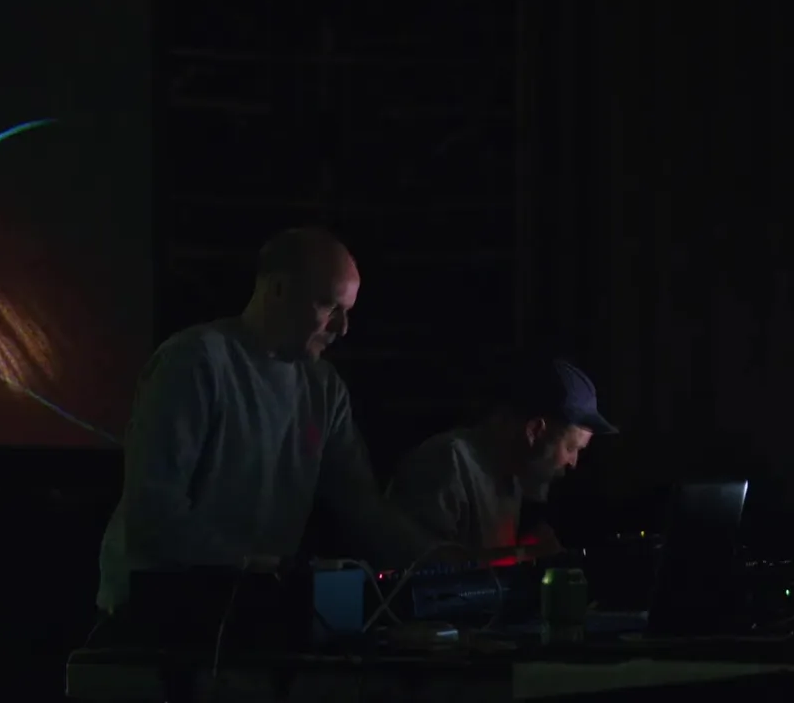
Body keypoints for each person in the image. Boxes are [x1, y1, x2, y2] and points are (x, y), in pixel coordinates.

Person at [94, 228, 420, 631]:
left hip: (247, 611)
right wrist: (258, 566)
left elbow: (362, 505)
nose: (342, 327)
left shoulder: (323, 388)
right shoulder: (195, 361)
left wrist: (436, 557)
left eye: (348, 311)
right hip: (154, 617)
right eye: (330, 307)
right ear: (278, 289)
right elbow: (153, 514)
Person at [386, 358, 618, 563]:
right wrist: (525, 555)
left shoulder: (513, 476)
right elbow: (419, 568)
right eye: (571, 448)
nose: (573, 462)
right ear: (534, 431)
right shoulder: (445, 464)